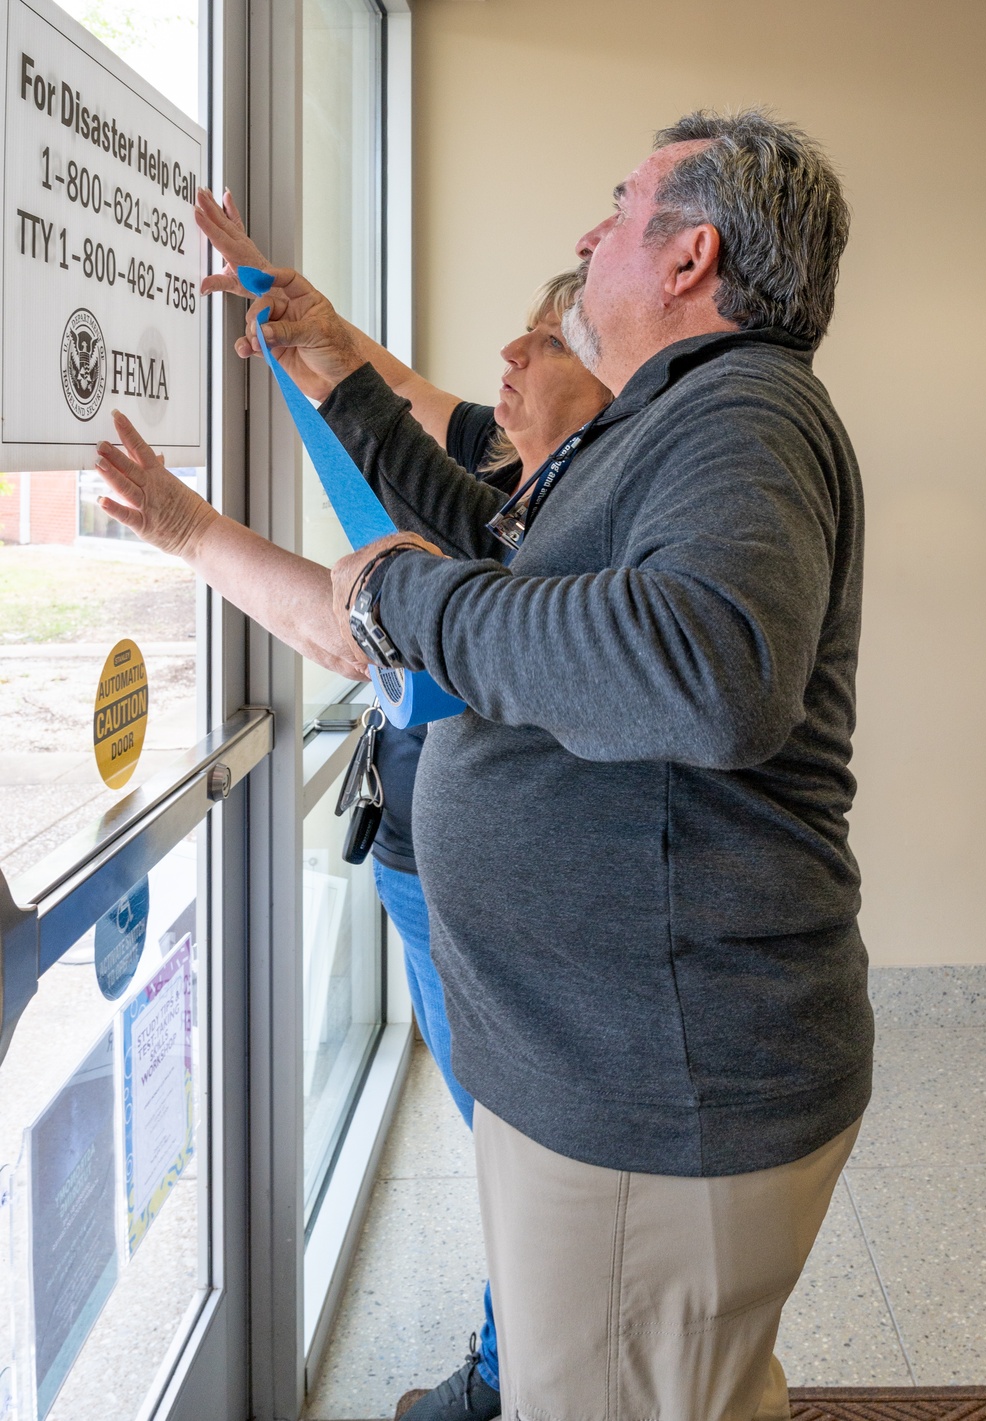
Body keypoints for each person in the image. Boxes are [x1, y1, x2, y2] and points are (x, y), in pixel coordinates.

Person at [95, 108, 874, 1421]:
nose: (589, 231)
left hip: (658, 1085)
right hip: (608, 1070)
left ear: (688, 259)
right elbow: (487, 540)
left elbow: (713, 672)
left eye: (620, 206)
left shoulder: (747, 412)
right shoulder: (665, 422)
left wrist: (411, 604)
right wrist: (337, 383)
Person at [198, 188, 611, 1421]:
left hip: (486, 888)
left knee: (515, 1139)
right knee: (508, 1139)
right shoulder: (514, 482)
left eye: (548, 344)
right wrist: (296, 316)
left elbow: (348, 625)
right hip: (430, 860)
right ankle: (516, 1354)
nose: (510, 362)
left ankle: (512, 1369)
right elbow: (406, 399)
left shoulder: (546, 540)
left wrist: (186, 526)